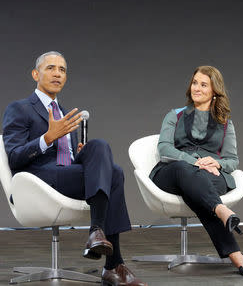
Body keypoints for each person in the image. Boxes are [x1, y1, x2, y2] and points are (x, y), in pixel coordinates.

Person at [2, 51, 146, 286]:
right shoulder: (19, 109)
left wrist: (79, 154)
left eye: (62, 70)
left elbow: (68, 160)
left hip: (66, 177)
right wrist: (47, 138)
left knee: (100, 149)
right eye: (51, 68)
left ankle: (98, 235)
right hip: (37, 181)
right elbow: (15, 158)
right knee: (115, 174)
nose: (57, 73)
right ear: (35, 74)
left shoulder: (65, 114)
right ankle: (113, 264)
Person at [150, 65, 243, 276]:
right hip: (173, 171)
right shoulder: (175, 115)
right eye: (195, 82)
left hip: (210, 176)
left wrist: (217, 164)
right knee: (185, 170)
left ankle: (234, 252)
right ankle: (222, 212)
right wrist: (194, 161)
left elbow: (232, 160)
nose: (197, 88)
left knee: (197, 189)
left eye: (203, 84)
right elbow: (164, 148)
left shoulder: (225, 123)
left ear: (215, 90)